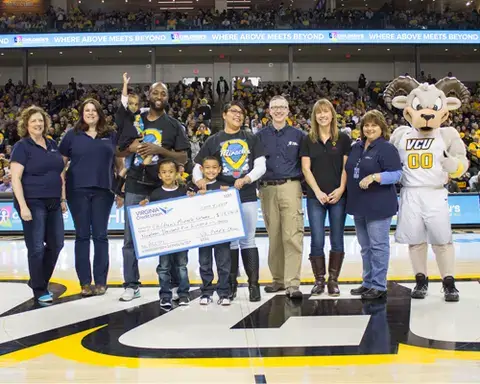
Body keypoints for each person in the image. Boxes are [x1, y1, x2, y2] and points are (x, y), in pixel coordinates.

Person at [116, 81, 190, 302]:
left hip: (163, 186)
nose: (159, 96)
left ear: (168, 97)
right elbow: (118, 150)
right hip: (135, 184)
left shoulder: (174, 125)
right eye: (155, 92)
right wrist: (130, 148)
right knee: (130, 239)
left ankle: (174, 284)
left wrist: (160, 150)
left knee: (170, 237)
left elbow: (184, 157)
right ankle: (131, 284)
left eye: (163, 93)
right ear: (148, 95)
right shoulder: (134, 120)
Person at [193, 101, 266, 302]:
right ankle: (230, 284)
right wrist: (198, 179)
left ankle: (253, 285)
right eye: (234, 111)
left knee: (248, 240)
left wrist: (246, 179)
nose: (238, 115)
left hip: (247, 194)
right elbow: (197, 166)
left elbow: (260, 165)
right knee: (231, 242)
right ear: (224, 115)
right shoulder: (214, 140)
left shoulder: (251, 138)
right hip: (223, 198)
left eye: (241, 112)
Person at [59, 98, 122, 297]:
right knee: (82, 236)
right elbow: (60, 167)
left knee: (101, 236)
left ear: (100, 113)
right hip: (77, 191)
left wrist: (120, 191)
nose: (91, 113)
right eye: (87, 110)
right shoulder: (71, 135)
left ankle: (101, 281)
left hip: (104, 190)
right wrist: (61, 196)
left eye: (94, 110)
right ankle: (85, 282)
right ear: (81, 113)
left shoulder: (111, 134)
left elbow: (120, 165)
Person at [10, 106, 66, 304]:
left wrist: (62, 198)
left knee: (57, 243)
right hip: (32, 202)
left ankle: (36, 279)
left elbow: (60, 173)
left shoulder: (51, 143)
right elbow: (15, 178)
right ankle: (40, 288)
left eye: (41, 120)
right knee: (36, 247)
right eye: (33, 121)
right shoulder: (21, 146)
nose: (38, 124)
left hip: (53, 201)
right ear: (26, 124)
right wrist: (23, 206)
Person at [346, 110, 402, 300]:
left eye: (374, 125)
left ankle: (379, 285)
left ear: (381, 128)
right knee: (365, 247)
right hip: (358, 203)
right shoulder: (356, 147)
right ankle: (368, 282)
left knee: (378, 246)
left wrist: (374, 177)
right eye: (366, 125)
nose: (369, 128)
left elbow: (396, 174)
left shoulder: (387, 148)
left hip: (379, 204)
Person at [300, 98, 351, 297]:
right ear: (314, 116)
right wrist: (318, 192)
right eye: (318, 112)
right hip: (315, 197)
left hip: (338, 196)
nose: (322, 115)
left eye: (326, 111)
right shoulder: (308, 139)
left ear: (332, 114)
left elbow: (346, 168)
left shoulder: (344, 139)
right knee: (317, 238)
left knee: (337, 238)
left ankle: (333, 280)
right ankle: (319, 280)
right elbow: (306, 168)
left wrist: (340, 189)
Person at [256, 95, 305, 299]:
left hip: (290, 186)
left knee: (292, 235)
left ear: (288, 110)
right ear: (268, 110)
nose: (278, 110)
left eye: (282, 107)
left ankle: (292, 283)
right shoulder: (259, 136)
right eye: (274, 107)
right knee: (274, 236)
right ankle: (278, 280)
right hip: (267, 189)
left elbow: (305, 164)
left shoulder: (299, 135)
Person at [139, 159, 190, 310]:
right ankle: (165, 296)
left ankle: (183, 294)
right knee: (164, 267)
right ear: (159, 175)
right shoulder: (155, 194)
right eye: (164, 172)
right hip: (163, 240)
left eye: (170, 172)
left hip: (181, 238)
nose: (167, 175)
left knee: (181, 265)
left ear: (176, 174)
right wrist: (145, 207)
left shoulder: (183, 192)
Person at [192, 156, 231, 306]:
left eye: (214, 167)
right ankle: (206, 292)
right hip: (203, 234)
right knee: (204, 263)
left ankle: (224, 292)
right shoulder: (195, 187)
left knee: (223, 263)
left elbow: (231, 206)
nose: (211, 170)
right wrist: (194, 196)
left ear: (220, 169)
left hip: (222, 233)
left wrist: (227, 194)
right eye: (207, 167)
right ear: (201, 169)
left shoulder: (224, 186)